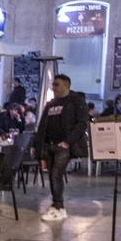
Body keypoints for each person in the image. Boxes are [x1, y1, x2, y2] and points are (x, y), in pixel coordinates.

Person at [33, 74, 89, 222]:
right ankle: (59, 206)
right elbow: (43, 125)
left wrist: (68, 141)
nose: (54, 87)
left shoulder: (76, 101)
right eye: (53, 85)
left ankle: (57, 206)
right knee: (52, 174)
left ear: (66, 85)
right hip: (50, 144)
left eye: (56, 84)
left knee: (56, 174)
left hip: (64, 146)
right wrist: (38, 145)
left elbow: (82, 123)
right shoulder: (51, 104)